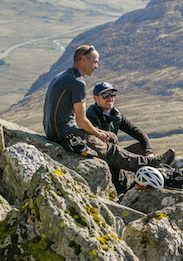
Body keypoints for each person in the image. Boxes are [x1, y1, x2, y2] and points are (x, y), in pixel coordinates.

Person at [42, 44, 174, 177]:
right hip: (65, 134)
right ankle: (152, 164)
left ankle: (119, 180)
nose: (96, 66)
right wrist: (98, 134)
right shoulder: (77, 82)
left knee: (111, 137)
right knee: (109, 150)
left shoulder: (62, 76)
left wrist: (98, 132)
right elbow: (81, 121)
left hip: (53, 131)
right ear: (83, 60)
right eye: (94, 62)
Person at [87, 82, 157, 192]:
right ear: (95, 98)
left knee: (141, 148)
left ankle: (148, 175)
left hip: (115, 153)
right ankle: (123, 188)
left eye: (112, 95)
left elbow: (138, 132)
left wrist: (149, 152)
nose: (110, 98)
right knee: (114, 152)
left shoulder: (115, 115)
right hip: (100, 155)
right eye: (105, 96)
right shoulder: (90, 115)